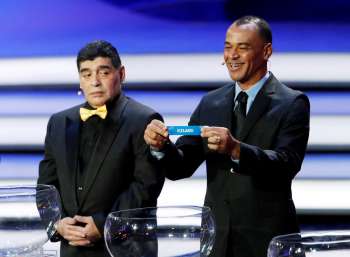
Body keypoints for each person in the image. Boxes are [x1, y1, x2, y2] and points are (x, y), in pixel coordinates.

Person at [144, 16, 310, 257]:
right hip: (218, 241)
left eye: (242, 48)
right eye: (227, 46)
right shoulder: (211, 102)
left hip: (268, 241)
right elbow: (181, 166)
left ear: (267, 51)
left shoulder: (292, 103)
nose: (232, 55)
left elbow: (287, 164)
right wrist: (161, 146)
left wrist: (236, 149)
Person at [38, 40, 165, 257]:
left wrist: (104, 224)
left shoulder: (143, 119)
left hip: (123, 247)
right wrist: (57, 223)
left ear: (121, 74)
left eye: (103, 72)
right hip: (72, 248)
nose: (94, 82)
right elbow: (46, 185)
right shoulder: (59, 122)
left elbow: (146, 186)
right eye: (86, 74)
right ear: (80, 81)